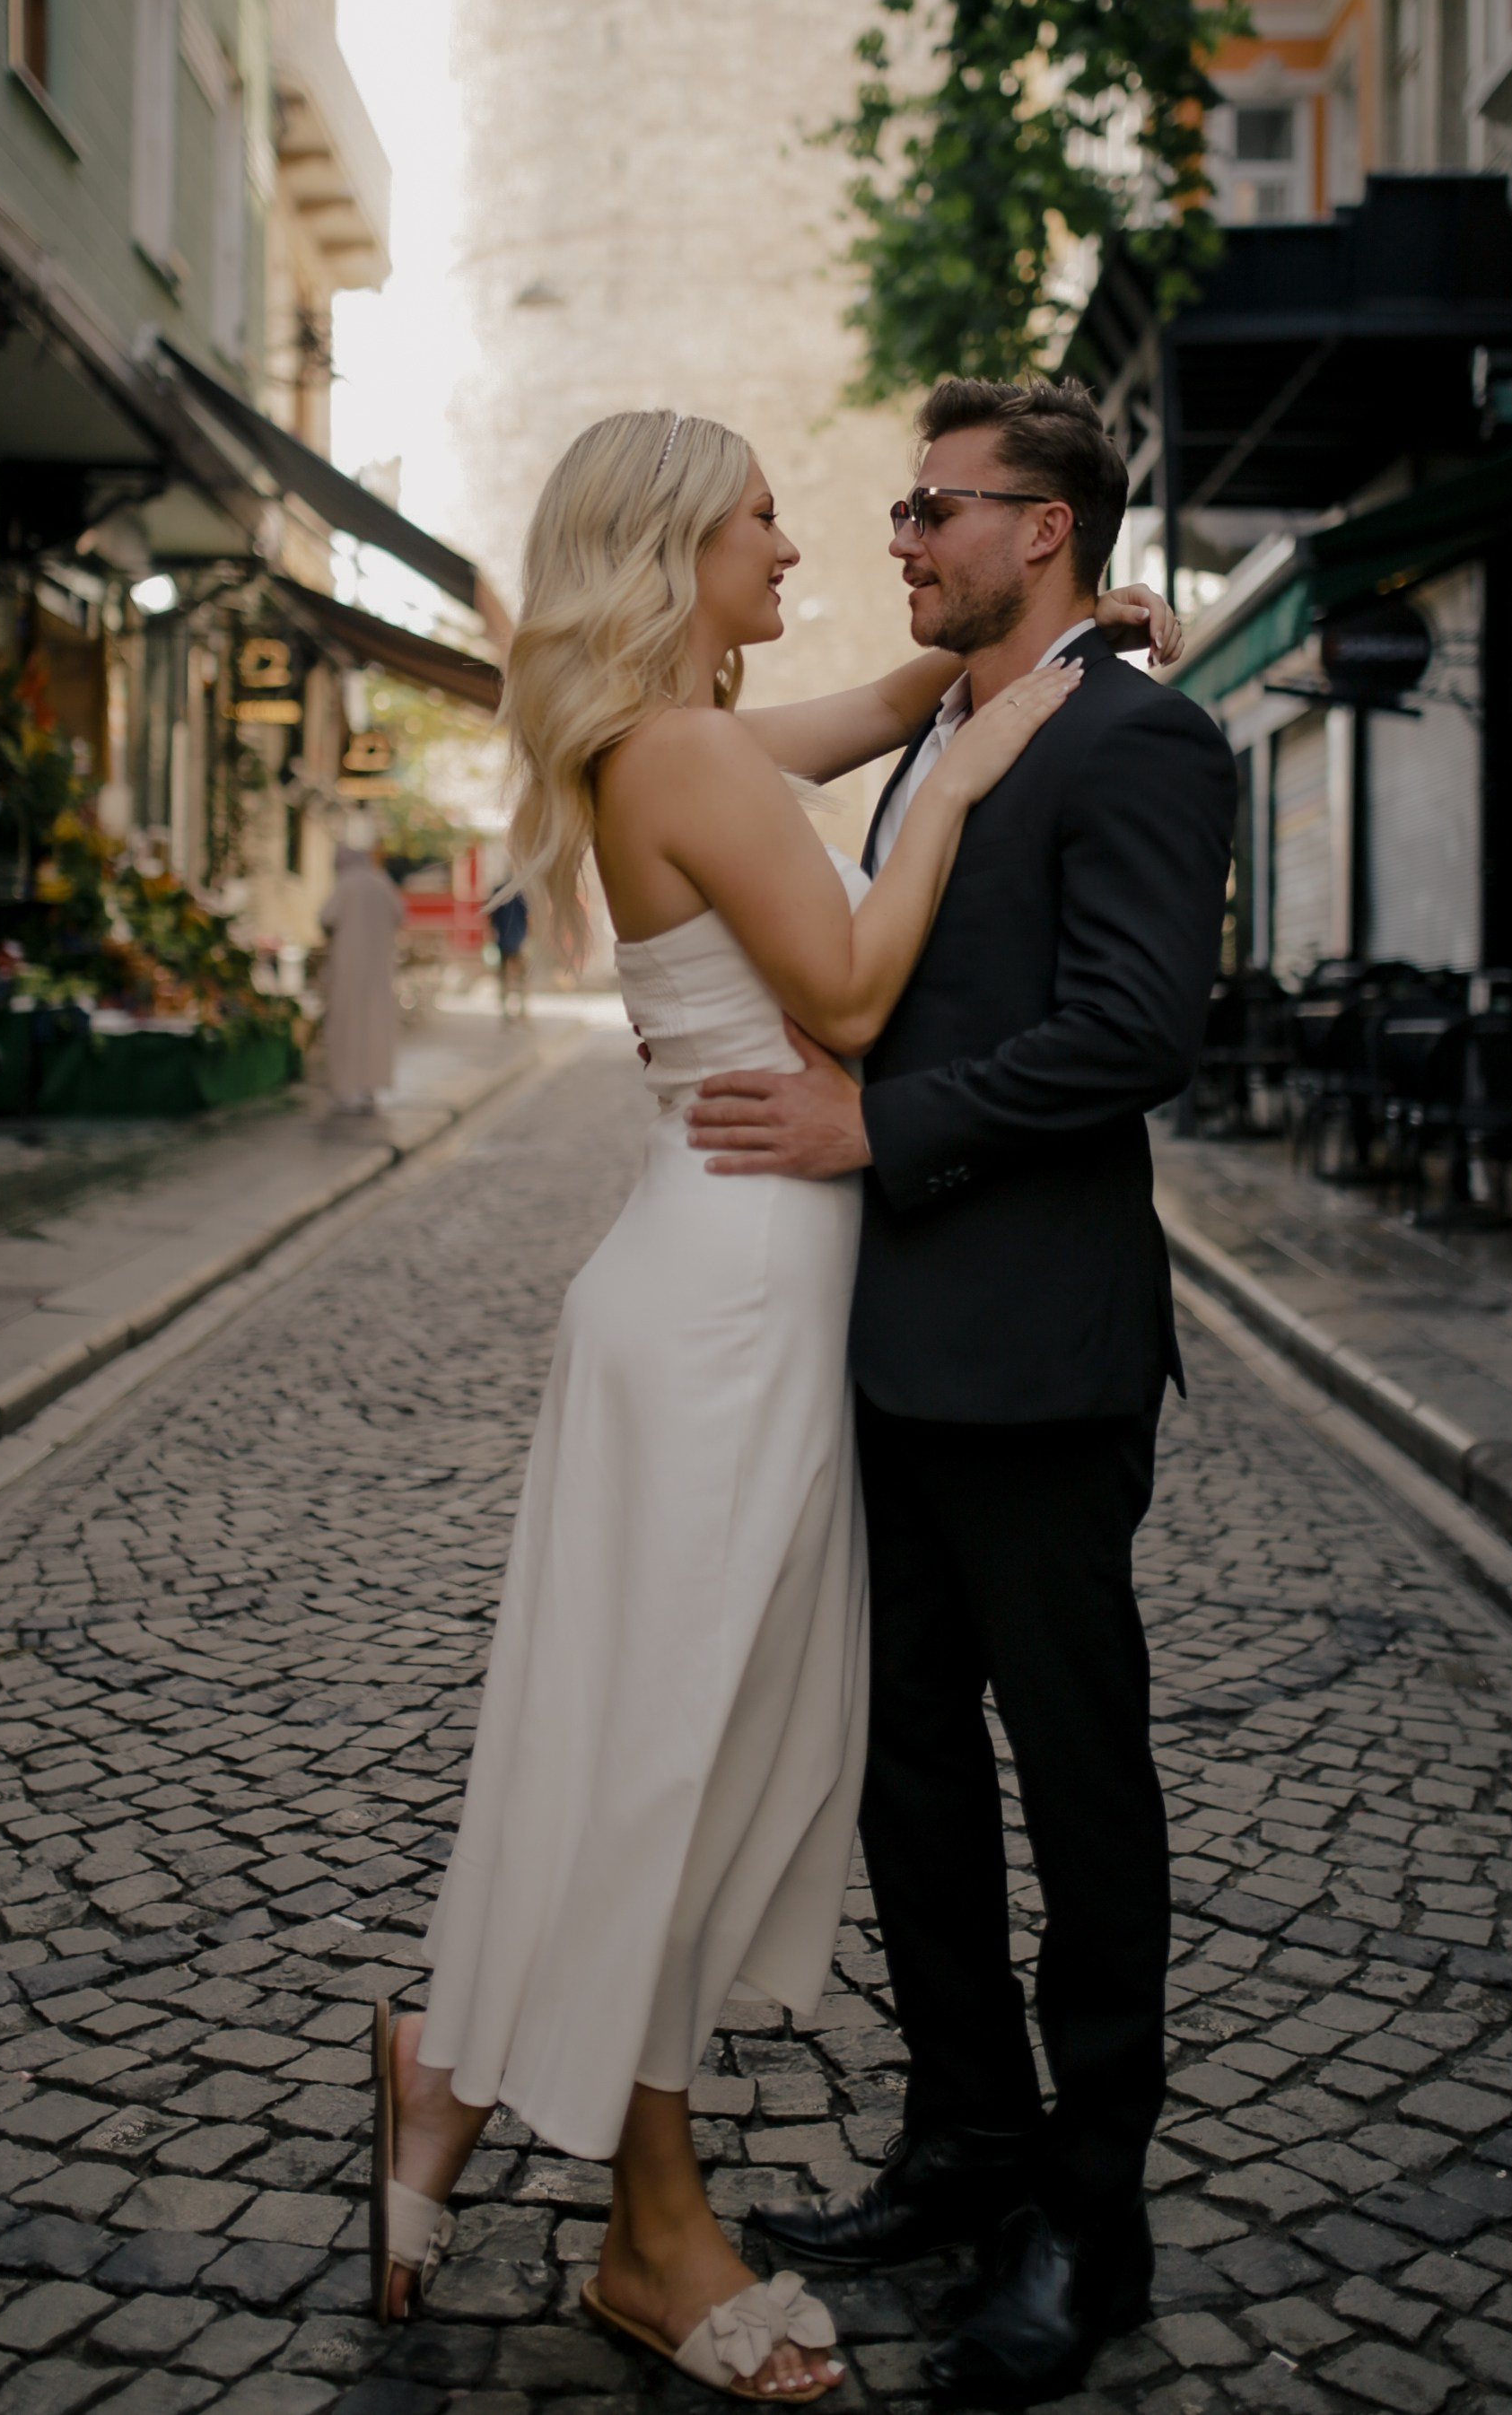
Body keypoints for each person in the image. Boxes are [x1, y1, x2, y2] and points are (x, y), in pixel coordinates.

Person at [370, 409, 1172, 2400]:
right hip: (727, 1307)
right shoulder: (683, 753)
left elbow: (871, 712)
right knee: (669, 1751)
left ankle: (456, 2066)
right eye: (760, 518)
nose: (802, 542)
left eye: (903, 510)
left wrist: (1043, 656)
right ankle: (643, 2219)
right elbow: (852, 994)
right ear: (673, 551)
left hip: (767, 1297)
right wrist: (970, 764)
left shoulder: (690, 739)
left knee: (684, 1739)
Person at [687, 380, 1236, 2408]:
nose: (901, 535)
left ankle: (1091, 2208)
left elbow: (1136, 1030)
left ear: (1047, 526)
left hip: (1039, 1353)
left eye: (936, 506)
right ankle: (964, 2134)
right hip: (885, 1340)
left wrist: (878, 1126)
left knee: (1079, 1782)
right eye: (904, 506)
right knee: (907, 1764)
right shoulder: (949, 722)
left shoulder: (1141, 736)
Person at [318, 837, 405, 1112]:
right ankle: (370, 1087)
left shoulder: (346, 884)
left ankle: (347, 1088)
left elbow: (326, 918)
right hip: (379, 969)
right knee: (375, 1026)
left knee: (348, 1024)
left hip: (349, 968)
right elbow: (400, 915)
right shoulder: (381, 882)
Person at [487, 879, 530, 1018]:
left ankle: (507, 1008)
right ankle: (520, 1007)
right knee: (520, 975)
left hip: (504, 939)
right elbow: (527, 917)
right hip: (517, 939)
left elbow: (491, 918)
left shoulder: (499, 892)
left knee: (505, 975)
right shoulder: (520, 893)